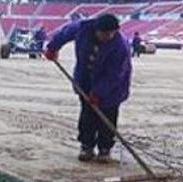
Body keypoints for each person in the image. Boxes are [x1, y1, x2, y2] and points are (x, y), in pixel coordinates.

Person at [44, 14, 132, 163]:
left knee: (108, 116)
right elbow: (64, 33)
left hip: (113, 87)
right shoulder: (82, 28)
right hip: (85, 78)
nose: (109, 36)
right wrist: (53, 48)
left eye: (112, 33)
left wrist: (99, 93)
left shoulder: (120, 47)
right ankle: (87, 146)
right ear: (96, 30)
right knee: (87, 114)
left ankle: (105, 148)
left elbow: (114, 75)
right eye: (105, 33)